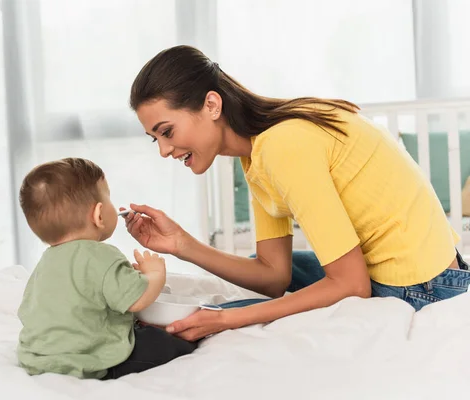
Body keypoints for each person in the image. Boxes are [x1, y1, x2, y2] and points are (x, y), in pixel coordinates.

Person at [122, 45, 470, 342]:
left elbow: (351, 285)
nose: (164, 150)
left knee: (204, 319)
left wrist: (227, 319)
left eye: (167, 131)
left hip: (424, 287)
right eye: (156, 138)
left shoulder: (282, 147)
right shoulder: (256, 154)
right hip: (395, 271)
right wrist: (182, 245)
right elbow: (274, 276)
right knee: (274, 282)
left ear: (212, 105)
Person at [16, 158, 196, 380]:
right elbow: (137, 300)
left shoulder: (44, 263)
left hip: (39, 359)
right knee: (163, 342)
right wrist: (154, 273)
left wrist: (125, 276)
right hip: (90, 359)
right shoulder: (102, 255)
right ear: (99, 215)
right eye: (109, 197)